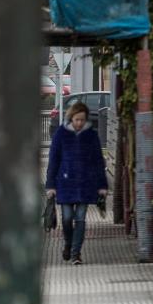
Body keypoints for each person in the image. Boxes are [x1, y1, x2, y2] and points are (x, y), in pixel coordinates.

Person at [45, 102, 107, 265]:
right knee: (66, 219)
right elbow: (54, 161)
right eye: (76, 119)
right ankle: (68, 243)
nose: (79, 123)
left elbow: (98, 161)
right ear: (71, 118)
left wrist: (102, 186)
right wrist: (50, 186)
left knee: (80, 219)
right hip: (65, 183)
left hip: (86, 184)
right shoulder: (61, 134)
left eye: (82, 120)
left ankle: (75, 253)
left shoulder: (91, 136)